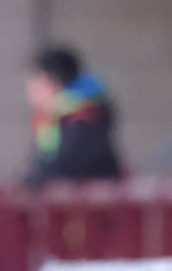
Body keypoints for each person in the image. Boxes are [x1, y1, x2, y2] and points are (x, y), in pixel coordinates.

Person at [23, 45, 122, 189]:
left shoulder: (85, 115)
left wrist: (34, 178)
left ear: (52, 81)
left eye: (35, 80)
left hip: (93, 205)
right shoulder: (52, 118)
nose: (29, 87)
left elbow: (69, 164)